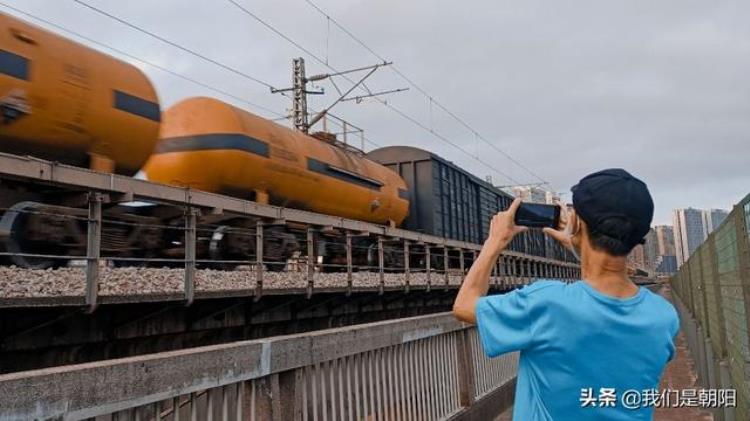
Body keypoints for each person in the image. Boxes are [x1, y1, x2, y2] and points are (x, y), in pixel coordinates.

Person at [453, 169, 679, 420]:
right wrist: (579, 245)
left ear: (578, 224)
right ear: (639, 236)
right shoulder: (664, 317)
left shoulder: (545, 302)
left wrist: (495, 241)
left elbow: (464, 305)